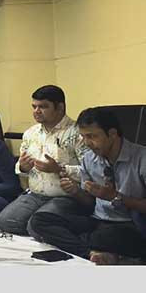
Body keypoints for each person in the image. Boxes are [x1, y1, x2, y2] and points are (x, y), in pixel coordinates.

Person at [29, 107, 146, 265]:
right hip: (98, 220)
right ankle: (92, 252)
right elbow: (90, 203)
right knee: (39, 221)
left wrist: (115, 197)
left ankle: (87, 246)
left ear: (112, 134)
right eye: (83, 137)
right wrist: (76, 191)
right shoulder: (89, 159)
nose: (86, 143)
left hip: (131, 224)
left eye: (92, 136)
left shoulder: (141, 158)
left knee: (103, 237)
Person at [0, 85, 86, 236]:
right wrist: (23, 167)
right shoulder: (30, 133)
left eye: (43, 107)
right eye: (34, 107)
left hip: (65, 197)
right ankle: (44, 229)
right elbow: (20, 169)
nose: (36, 111)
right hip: (35, 195)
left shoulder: (78, 133)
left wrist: (59, 169)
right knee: (6, 220)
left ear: (60, 107)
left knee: (36, 225)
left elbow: (91, 172)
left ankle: (42, 227)